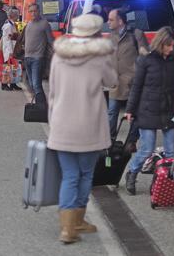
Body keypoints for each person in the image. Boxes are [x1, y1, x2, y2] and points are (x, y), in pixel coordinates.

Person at [47, 14, 117, 244]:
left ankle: (67, 229)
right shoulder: (99, 57)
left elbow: (52, 91)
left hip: (62, 124)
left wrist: (53, 121)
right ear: (96, 33)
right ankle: (78, 220)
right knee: (85, 174)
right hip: (89, 125)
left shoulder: (59, 56)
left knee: (69, 175)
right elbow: (112, 81)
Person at [124, 27, 174, 195]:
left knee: (171, 151)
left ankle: (164, 182)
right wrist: (130, 109)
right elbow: (137, 86)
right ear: (160, 43)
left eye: (173, 45)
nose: (171, 49)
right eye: (168, 45)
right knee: (147, 149)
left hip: (168, 109)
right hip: (147, 109)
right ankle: (132, 172)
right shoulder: (146, 60)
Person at [107, 9, 148, 142]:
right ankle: (110, 142)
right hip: (115, 82)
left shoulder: (136, 34)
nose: (108, 22)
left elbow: (144, 56)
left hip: (132, 82)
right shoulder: (111, 36)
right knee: (111, 112)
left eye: (111, 19)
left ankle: (131, 142)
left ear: (120, 21)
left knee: (133, 114)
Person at [23, 3, 54, 101]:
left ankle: (41, 105)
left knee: (36, 84)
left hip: (38, 57)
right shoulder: (28, 24)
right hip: (27, 57)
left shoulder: (44, 24)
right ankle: (41, 104)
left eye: (35, 11)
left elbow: (51, 41)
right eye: (31, 11)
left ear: (39, 11)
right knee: (31, 84)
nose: (33, 13)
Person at [0, 8, 22, 91]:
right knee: (7, 67)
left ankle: (13, 83)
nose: (18, 17)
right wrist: (10, 52)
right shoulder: (9, 26)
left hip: (12, 48)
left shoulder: (11, 24)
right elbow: (8, 40)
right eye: (17, 15)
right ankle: (4, 84)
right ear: (14, 16)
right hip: (9, 49)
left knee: (13, 67)